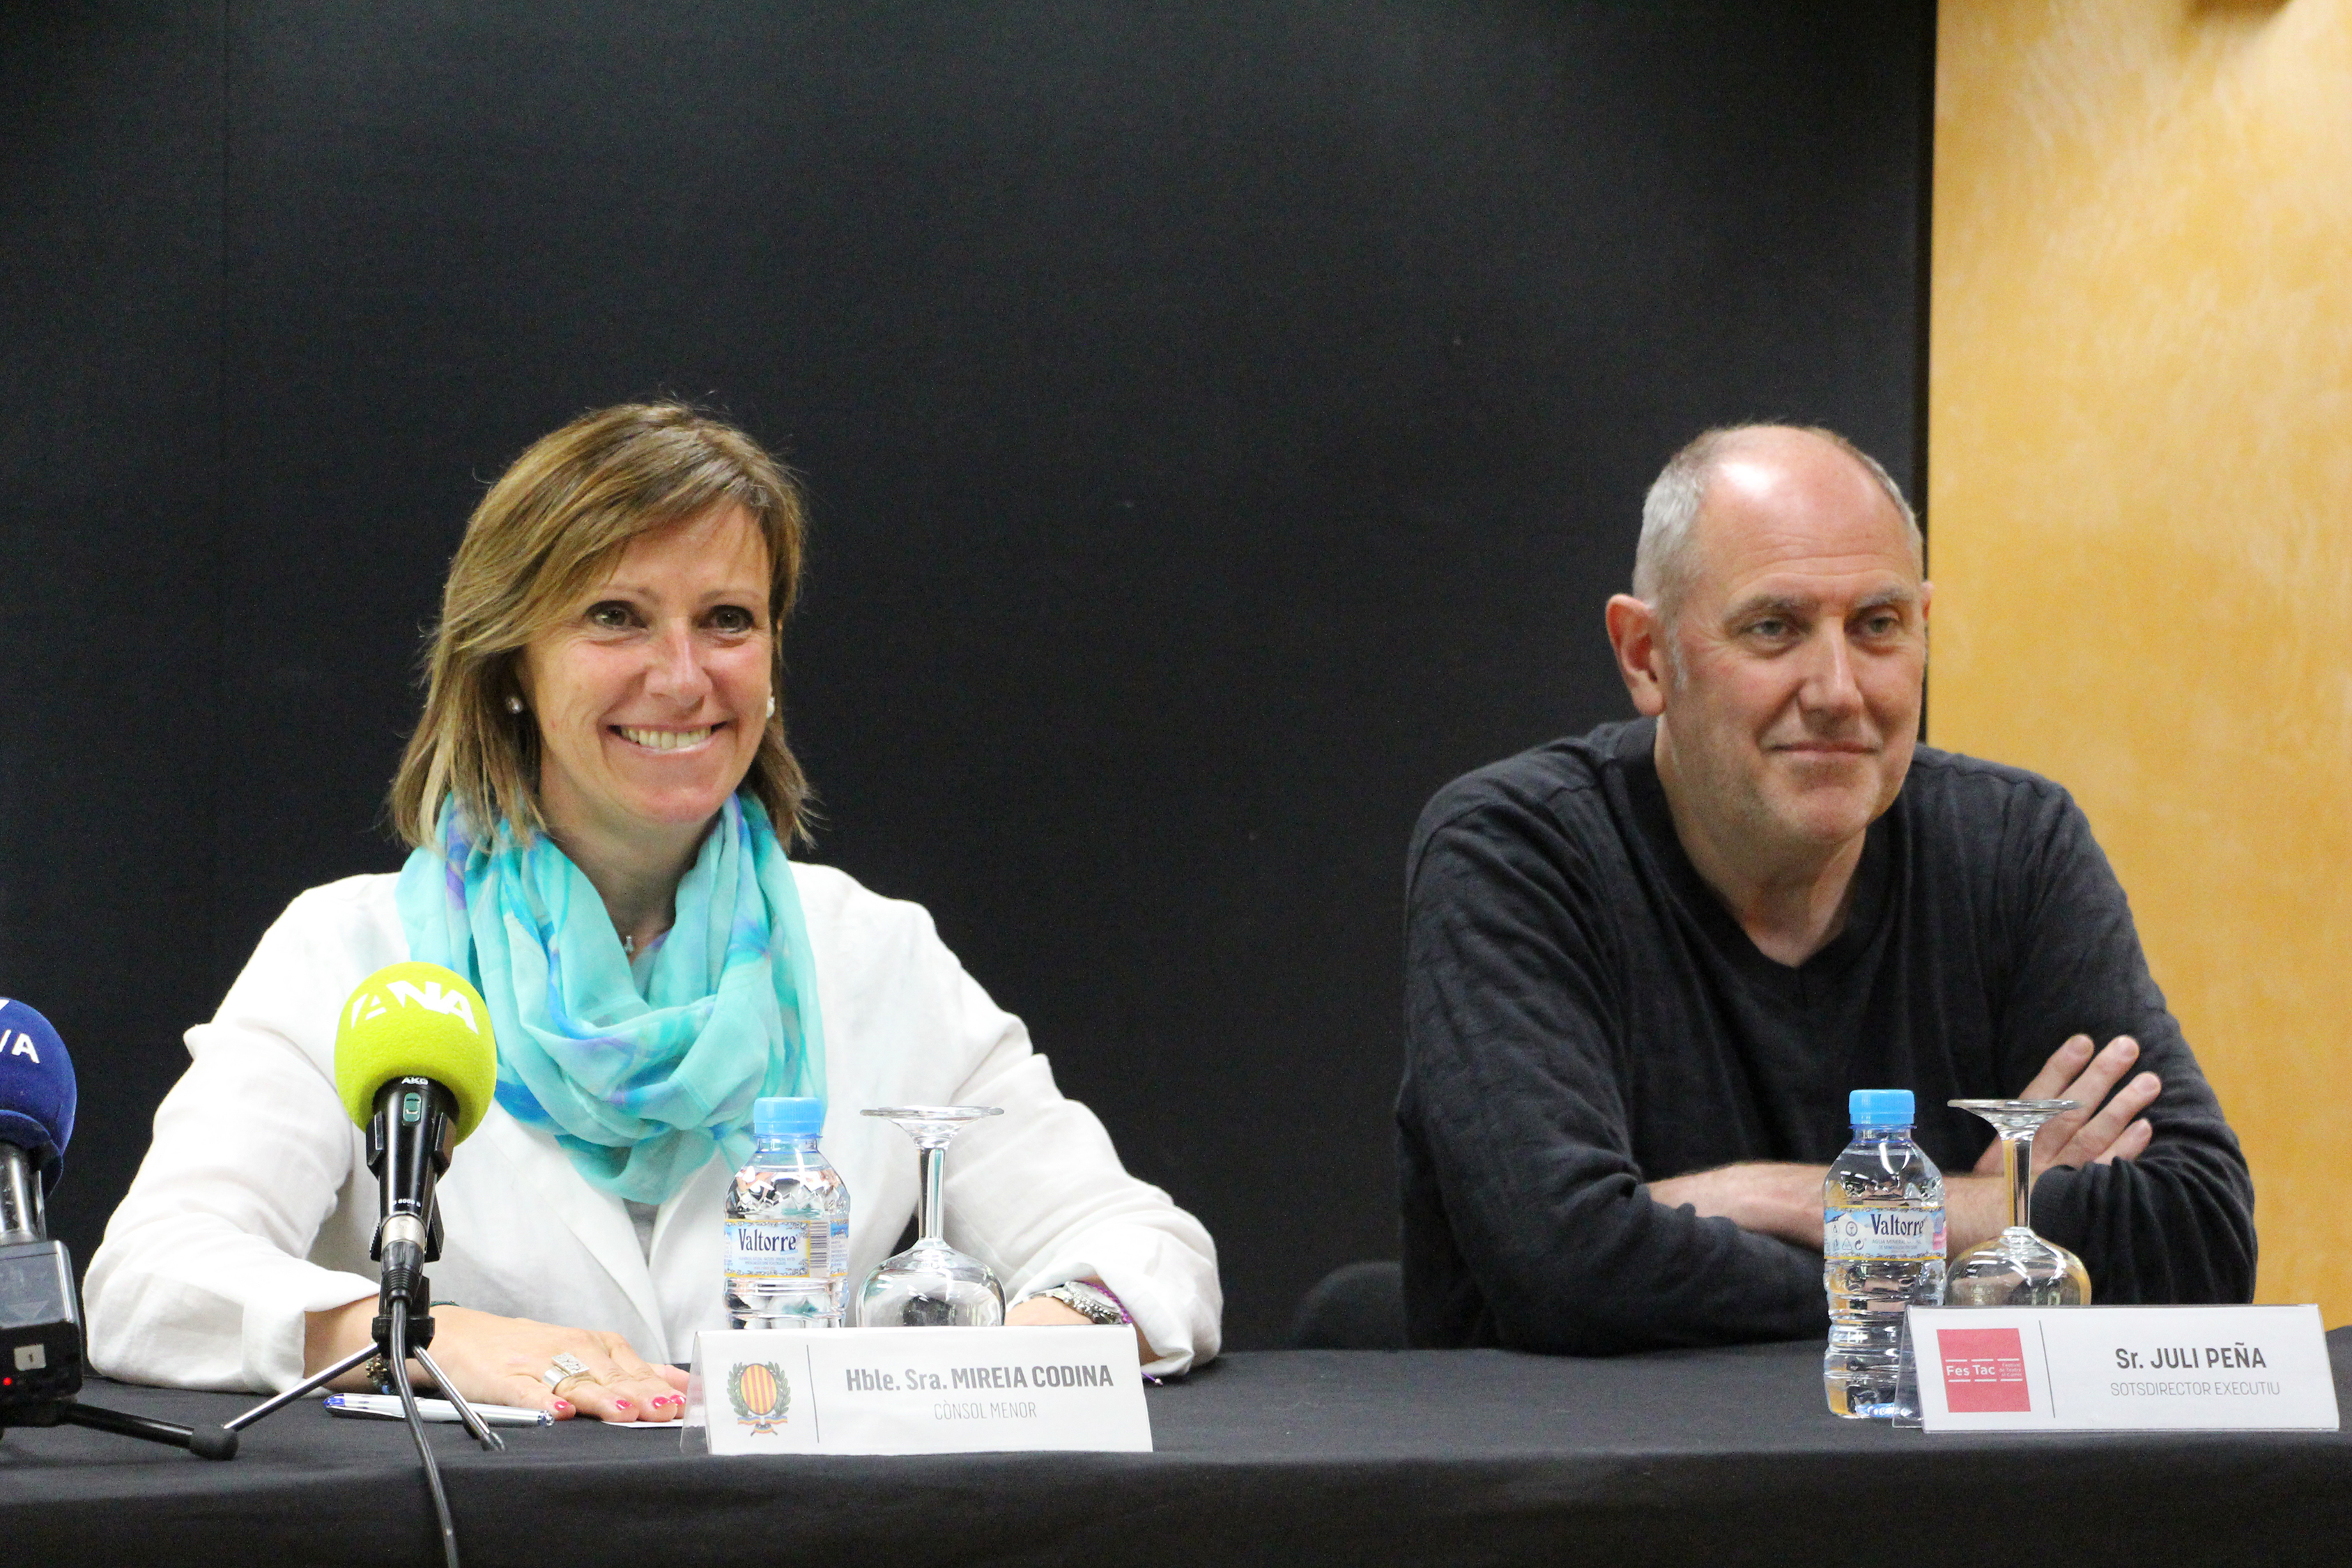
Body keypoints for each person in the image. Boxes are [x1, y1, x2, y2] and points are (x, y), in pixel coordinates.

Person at [87, 404, 1220, 1418]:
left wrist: (1013, 1355)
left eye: (728, 619)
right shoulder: (347, 955)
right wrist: (420, 1340)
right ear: (511, 664)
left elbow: (1146, 1250)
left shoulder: (876, 955)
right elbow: (149, 1276)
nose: (682, 677)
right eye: (617, 616)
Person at [1397, 424, 2254, 1355]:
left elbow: (2199, 1237)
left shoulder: (2015, 845)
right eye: (1774, 628)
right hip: (1601, 1453)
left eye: (1878, 625)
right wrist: (1998, 1230)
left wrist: (1778, 1198)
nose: (1839, 690)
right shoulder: (1517, 851)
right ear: (1646, 656)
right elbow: (1568, 1267)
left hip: (1941, 1453)